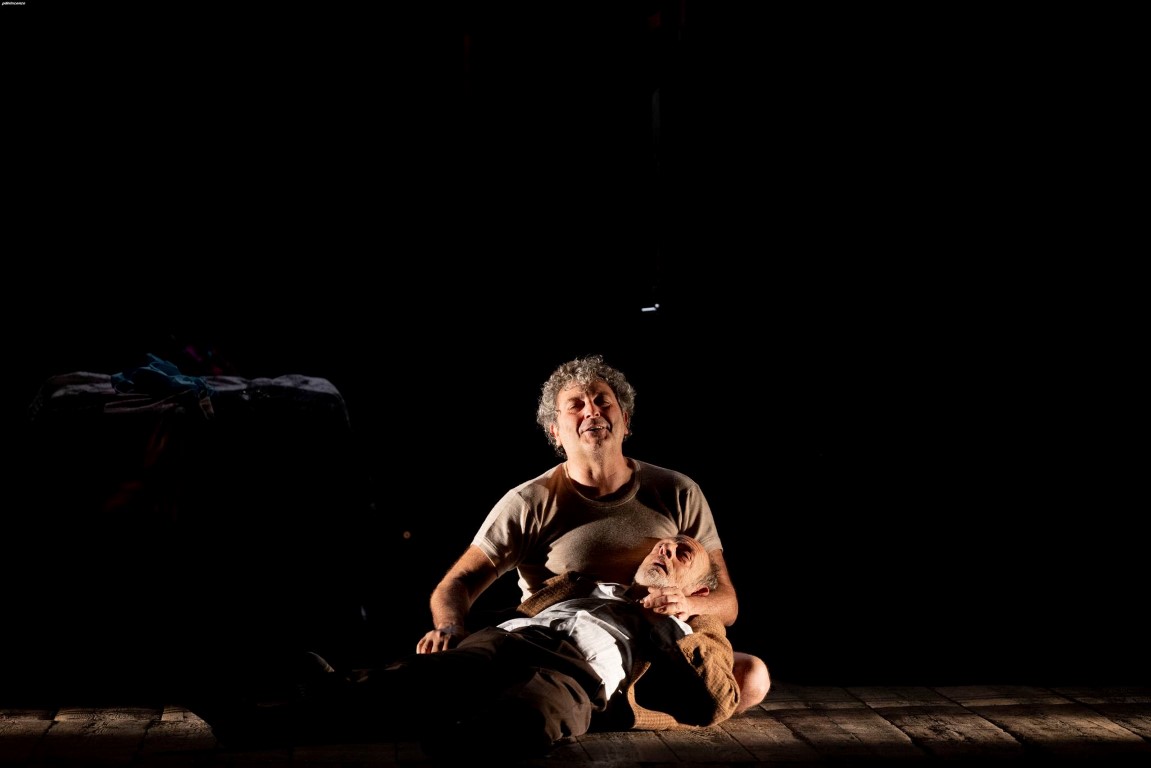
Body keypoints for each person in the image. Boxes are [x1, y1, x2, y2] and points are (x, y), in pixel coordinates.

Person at [417, 353, 770, 712]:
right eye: (576, 405)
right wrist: (449, 626)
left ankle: (598, 702)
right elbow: (459, 581)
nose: (592, 411)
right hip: (559, 640)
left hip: (652, 649)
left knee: (751, 677)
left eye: (603, 401)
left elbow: (726, 601)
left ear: (625, 421)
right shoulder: (529, 501)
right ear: (555, 431)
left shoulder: (678, 491)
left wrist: (687, 605)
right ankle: (578, 700)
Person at [186, 535, 739, 759]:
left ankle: (457, 745)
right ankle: (254, 720)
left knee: (531, 718)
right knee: (406, 682)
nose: (665, 550)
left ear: (700, 588)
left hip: (575, 675)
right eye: (664, 545)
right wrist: (454, 630)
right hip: (509, 642)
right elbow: (490, 597)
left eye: (682, 552)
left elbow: (713, 703)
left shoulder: (696, 630)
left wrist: (669, 623)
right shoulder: (588, 585)